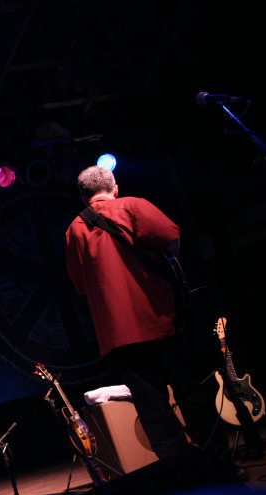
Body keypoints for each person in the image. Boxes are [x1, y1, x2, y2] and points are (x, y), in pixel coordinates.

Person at [65, 166, 234, 468]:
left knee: (153, 410)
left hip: (119, 336)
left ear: (82, 196)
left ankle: (181, 476)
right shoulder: (132, 206)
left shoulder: (74, 230)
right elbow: (172, 241)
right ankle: (219, 467)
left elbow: (80, 286)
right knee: (191, 396)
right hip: (160, 320)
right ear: (115, 187)